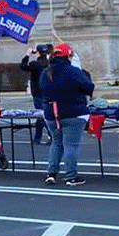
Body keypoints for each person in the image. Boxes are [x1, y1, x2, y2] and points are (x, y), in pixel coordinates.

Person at [40, 43, 95, 186]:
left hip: (51, 113)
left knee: (56, 143)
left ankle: (51, 173)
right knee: (71, 145)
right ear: (68, 56)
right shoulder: (73, 71)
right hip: (73, 112)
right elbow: (89, 87)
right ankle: (71, 176)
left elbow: (41, 90)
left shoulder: (46, 72)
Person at [21, 44, 51, 145]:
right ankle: (37, 138)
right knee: (41, 114)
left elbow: (23, 66)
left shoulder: (35, 64)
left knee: (41, 115)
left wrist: (27, 54)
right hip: (48, 92)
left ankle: (52, 135)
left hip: (38, 92)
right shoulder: (49, 63)